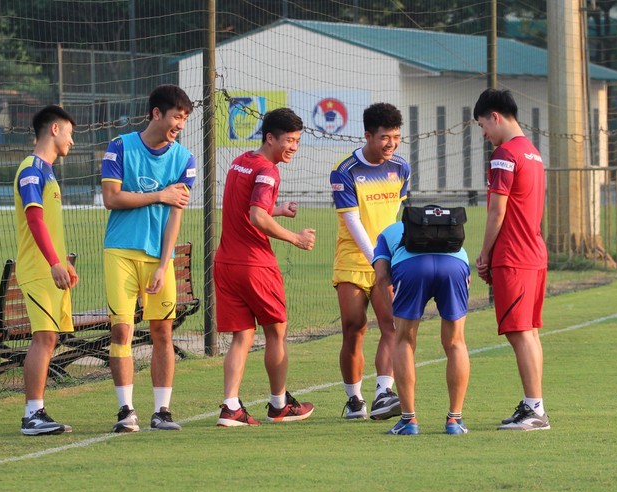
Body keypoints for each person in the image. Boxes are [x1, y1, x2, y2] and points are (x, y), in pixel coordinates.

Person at [101, 84, 195, 432]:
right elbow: (111, 198)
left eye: (184, 119)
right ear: (157, 113)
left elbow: (176, 214)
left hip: (159, 259)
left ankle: (162, 411)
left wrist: (164, 262)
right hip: (121, 251)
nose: (180, 125)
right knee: (122, 330)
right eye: (176, 117)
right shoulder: (119, 147)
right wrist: (159, 194)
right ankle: (126, 411)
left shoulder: (184, 159)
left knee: (162, 332)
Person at [214, 107, 316, 427]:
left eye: (298, 141)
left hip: (225, 262)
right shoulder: (270, 171)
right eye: (289, 140)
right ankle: (279, 403)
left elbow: (250, 207)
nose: (294, 148)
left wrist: (278, 210)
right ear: (270, 137)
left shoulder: (240, 162)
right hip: (255, 264)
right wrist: (294, 238)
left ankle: (231, 407)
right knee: (276, 332)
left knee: (242, 336)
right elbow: (257, 217)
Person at [473, 88, 550, 431]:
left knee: (520, 333)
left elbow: (496, 210)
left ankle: (535, 410)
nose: (484, 134)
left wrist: (485, 254)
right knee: (528, 332)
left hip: (514, 255)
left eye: (482, 126)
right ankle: (534, 405)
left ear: (495, 116)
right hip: (533, 252)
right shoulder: (533, 153)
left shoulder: (505, 155)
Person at [329, 103, 410, 420]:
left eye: (396, 137)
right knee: (354, 328)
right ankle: (353, 400)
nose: (391, 144)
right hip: (353, 259)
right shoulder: (345, 171)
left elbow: (396, 217)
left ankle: (382, 394)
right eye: (384, 137)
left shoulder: (401, 168)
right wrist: (377, 260)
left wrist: (392, 257)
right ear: (367, 135)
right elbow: (352, 222)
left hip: (386, 259)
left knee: (392, 325)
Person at [372, 220, 471, 436]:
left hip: (411, 268)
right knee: (456, 342)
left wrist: (394, 315)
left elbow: (380, 276)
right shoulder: (446, 228)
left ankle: (409, 420)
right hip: (455, 265)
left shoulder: (385, 233)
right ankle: (455, 420)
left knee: (404, 340)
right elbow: (467, 271)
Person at [14, 105, 78, 435]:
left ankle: (37, 411)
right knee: (43, 338)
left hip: (50, 269)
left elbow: (48, 226)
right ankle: (31, 416)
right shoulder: (31, 169)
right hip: (38, 272)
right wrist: (53, 263)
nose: (72, 140)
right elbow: (34, 219)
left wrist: (62, 262)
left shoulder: (48, 172)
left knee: (49, 338)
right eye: (69, 132)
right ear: (54, 129)